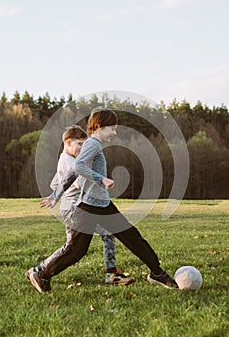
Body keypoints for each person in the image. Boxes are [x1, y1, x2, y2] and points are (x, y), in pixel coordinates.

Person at [27, 108, 178, 293]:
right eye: (112, 128)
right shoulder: (93, 144)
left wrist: (55, 195)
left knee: (132, 236)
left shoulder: (93, 144)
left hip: (102, 204)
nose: (114, 133)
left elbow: (74, 171)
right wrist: (101, 179)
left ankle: (157, 273)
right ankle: (41, 273)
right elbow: (79, 167)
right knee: (76, 250)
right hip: (89, 206)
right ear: (99, 127)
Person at [25, 125, 135, 290]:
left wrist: (56, 194)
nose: (83, 148)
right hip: (74, 209)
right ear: (68, 143)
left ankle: (111, 273)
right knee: (73, 248)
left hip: (78, 207)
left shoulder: (66, 160)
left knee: (101, 235)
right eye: (80, 144)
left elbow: (55, 182)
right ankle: (38, 271)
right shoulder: (70, 162)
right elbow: (80, 181)